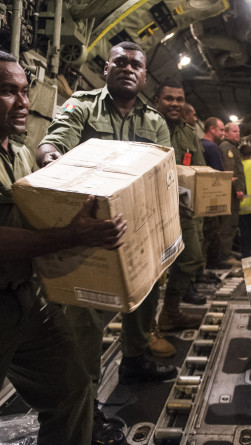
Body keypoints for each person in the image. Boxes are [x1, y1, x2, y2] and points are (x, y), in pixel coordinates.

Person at [36, 41, 178, 443]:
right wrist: (52, 163)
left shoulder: (154, 121)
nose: (128, 68)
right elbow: (52, 142)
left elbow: (162, 169)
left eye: (136, 64)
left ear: (144, 75)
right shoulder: (82, 106)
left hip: (138, 226)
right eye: (121, 62)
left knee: (145, 296)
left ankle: (134, 360)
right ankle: (88, 406)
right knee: (85, 319)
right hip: (90, 229)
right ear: (107, 66)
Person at [0, 50, 127, 445]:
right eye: (8, 91)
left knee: (72, 391)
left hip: (27, 300)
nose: (23, 102)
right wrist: (75, 236)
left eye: (25, 90)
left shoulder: (18, 153)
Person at [153, 80, 206, 332]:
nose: (175, 103)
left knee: (192, 258)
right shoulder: (147, 126)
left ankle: (170, 312)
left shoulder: (188, 133)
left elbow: (199, 168)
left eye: (179, 99)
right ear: (157, 101)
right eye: (169, 98)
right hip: (151, 210)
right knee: (151, 270)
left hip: (183, 209)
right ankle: (145, 329)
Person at [218, 122, 246, 267]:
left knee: (232, 223)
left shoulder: (232, 148)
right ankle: (225, 256)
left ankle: (227, 252)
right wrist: (238, 189)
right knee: (228, 223)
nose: (237, 134)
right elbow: (231, 172)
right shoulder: (227, 148)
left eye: (238, 131)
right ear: (226, 133)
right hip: (230, 192)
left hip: (232, 192)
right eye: (234, 131)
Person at [201, 117, 226, 268]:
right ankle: (211, 265)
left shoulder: (198, 144)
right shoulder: (212, 147)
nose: (223, 133)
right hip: (211, 198)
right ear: (212, 129)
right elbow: (219, 175)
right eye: (221, 129)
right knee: (212, 233)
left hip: (197, 198)